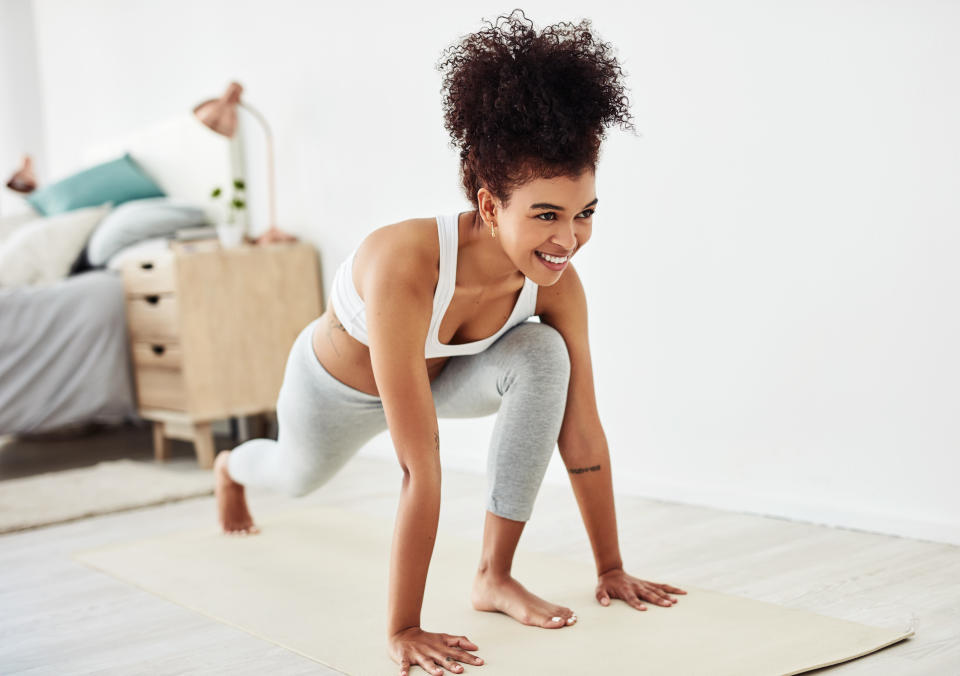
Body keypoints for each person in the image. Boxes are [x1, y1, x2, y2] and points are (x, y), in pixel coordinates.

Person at [213, 9, 686, 676]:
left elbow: (582, 432)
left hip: (446, 380)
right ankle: (231, 468)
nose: (568, 239)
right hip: (341, 392)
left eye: (584, 214)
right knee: (296, 477)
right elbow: (420, 467)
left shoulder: (557, 285)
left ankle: (494, 576)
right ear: (491, 206)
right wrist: (403, 627)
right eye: (545, 216)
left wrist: (610, 567)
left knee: (542, 356)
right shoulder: (405, 263)